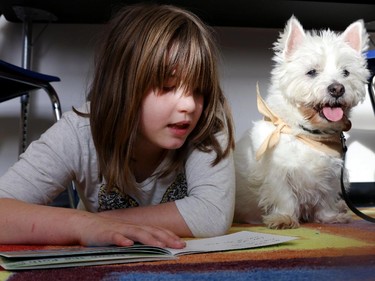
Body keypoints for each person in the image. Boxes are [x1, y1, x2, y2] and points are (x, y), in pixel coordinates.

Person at [0, 4, 235, 248]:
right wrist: (83, 225)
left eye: (199, 91)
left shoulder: (208, 120)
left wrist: (102, 221)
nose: (189, 104)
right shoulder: (79, 131)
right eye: (167, 86)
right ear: (121, 87)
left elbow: (211, 214)